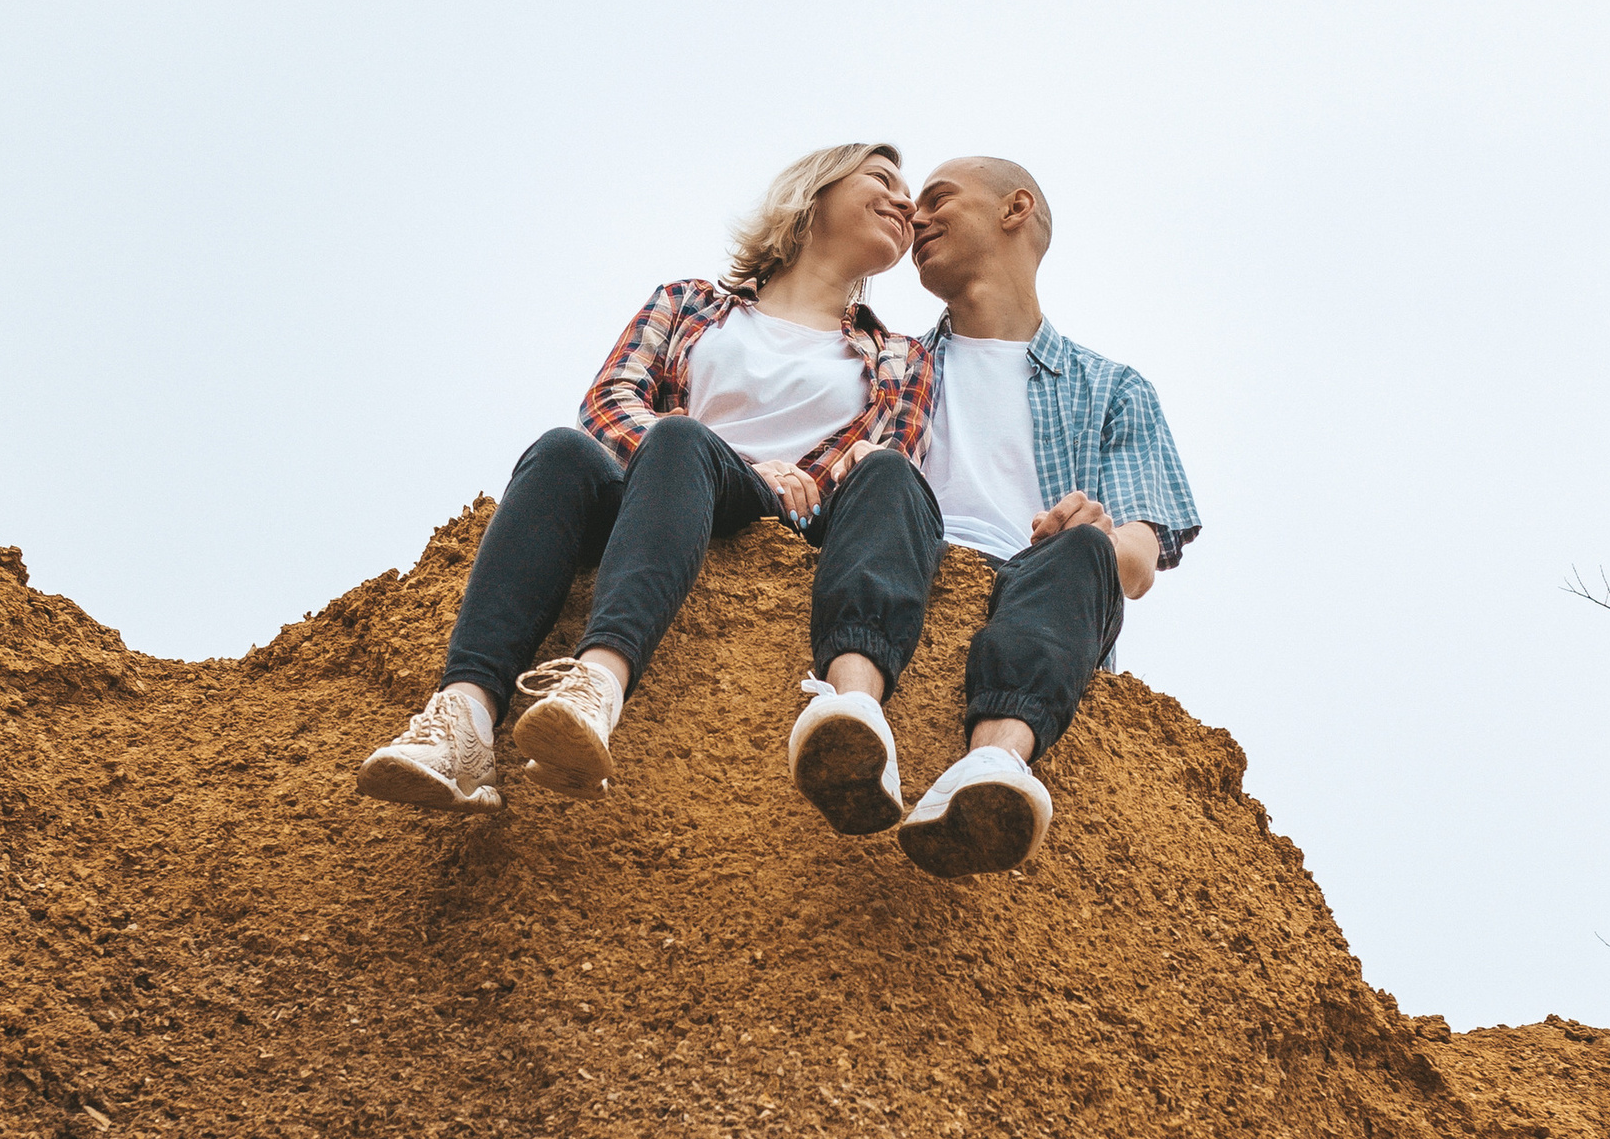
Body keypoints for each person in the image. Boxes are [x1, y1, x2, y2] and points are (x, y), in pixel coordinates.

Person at [353, 142, 939, 816]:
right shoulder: (688, 301)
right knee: (562, 453)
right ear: (815, 192)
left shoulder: (900, 356)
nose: (905, 201)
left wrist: (761, 480)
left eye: (911, 192)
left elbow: (884, 464)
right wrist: (723, 457)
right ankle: (463, 720)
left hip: (777, 516)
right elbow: (608, 406)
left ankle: (597, 685)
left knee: (681, 434)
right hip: (663, 487)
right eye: (884, 179)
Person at [784, 154, 1200, 880]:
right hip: (903, 555)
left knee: (1083, 554)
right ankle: (853, 711)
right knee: (884, 470)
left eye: (940, 199)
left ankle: (993, 767)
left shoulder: (1112, 389)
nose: (917, 216)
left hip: (1040, 590)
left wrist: (1096, 530)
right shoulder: (887, 361)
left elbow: (1139, 557)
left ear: (1015, 209)